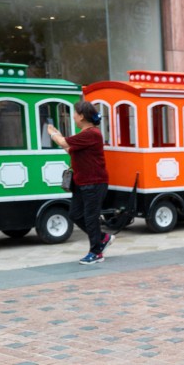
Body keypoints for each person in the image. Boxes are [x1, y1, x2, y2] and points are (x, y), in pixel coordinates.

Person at [46, 101, 112, 265]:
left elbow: (63, 142)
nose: (73, 116)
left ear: (82, 116)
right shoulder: (84, 135)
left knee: (91, 218)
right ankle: (102, 238)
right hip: (82, 182)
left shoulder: (92, 134)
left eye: (75, 113)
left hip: (94, 183)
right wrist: (59, 137)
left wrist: (52, 134)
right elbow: (68, 149)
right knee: (75, 215)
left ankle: (96, 252)